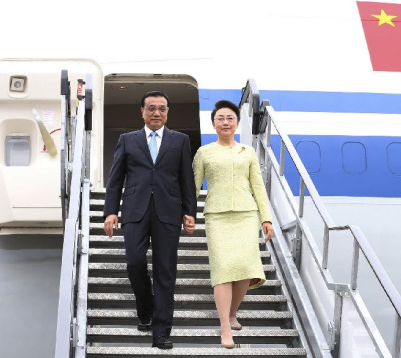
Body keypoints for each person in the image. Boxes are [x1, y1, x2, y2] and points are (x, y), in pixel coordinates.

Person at [103, 91, 197, 350]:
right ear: (142, 112)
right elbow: (115, 179)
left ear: (168, 112)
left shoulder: (180, 140)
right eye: (152, 108)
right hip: (135, 210)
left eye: (162, 109)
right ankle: (145, 308)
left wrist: (190, 211)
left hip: (169, 210)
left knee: (165, 272)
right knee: (134, 263)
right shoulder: (127, 140)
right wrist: (111, 211)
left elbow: (186, 179)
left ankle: (161, 331)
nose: (157, 113)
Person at [192, 100, 274, 349]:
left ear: (237, 122)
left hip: (246, 214)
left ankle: (232, 313)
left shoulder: (247, 152)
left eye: (230, 118)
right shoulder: (204, 153)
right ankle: (225, 327)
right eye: (220, 118)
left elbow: (258, 186)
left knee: (245, 270)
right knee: (223, 269)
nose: (225, 122)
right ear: (213, 123)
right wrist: (187, 213)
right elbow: (193, 187)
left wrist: (266, 217)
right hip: (217, 215)